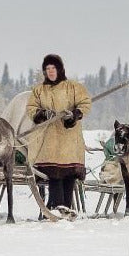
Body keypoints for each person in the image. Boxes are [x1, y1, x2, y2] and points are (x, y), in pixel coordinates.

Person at [25, 54, 91, 212]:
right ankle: (57, 207)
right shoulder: (39, 90)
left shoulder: (73, 87)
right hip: (49, 141)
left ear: (60, 69)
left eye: (53, 68)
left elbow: (85, 103)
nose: (50, 71)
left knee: (69, 175)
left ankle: (65, 208)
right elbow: (31, 108)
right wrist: (42, 114)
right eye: (47, 68)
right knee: (54, 174)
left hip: (70, 140)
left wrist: (74, 115)